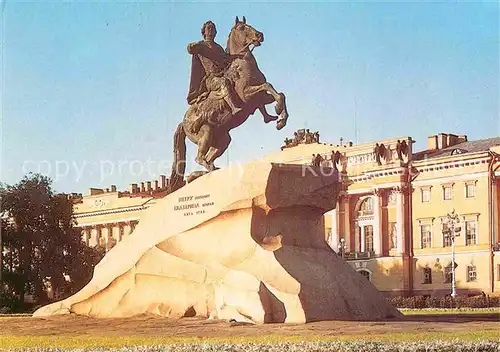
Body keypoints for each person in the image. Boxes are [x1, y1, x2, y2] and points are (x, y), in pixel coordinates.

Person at [187, 20, 243, 116]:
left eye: (213, 28)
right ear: (204, 32)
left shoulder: (218, 47)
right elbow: (190, 49)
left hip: (221, 74)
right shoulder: (201, 45)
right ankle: (233, 108)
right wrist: (191, 46)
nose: (211, 30)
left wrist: (239, 55)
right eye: (208, 28)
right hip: (211, 79)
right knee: (224, 82)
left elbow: (226, 59)